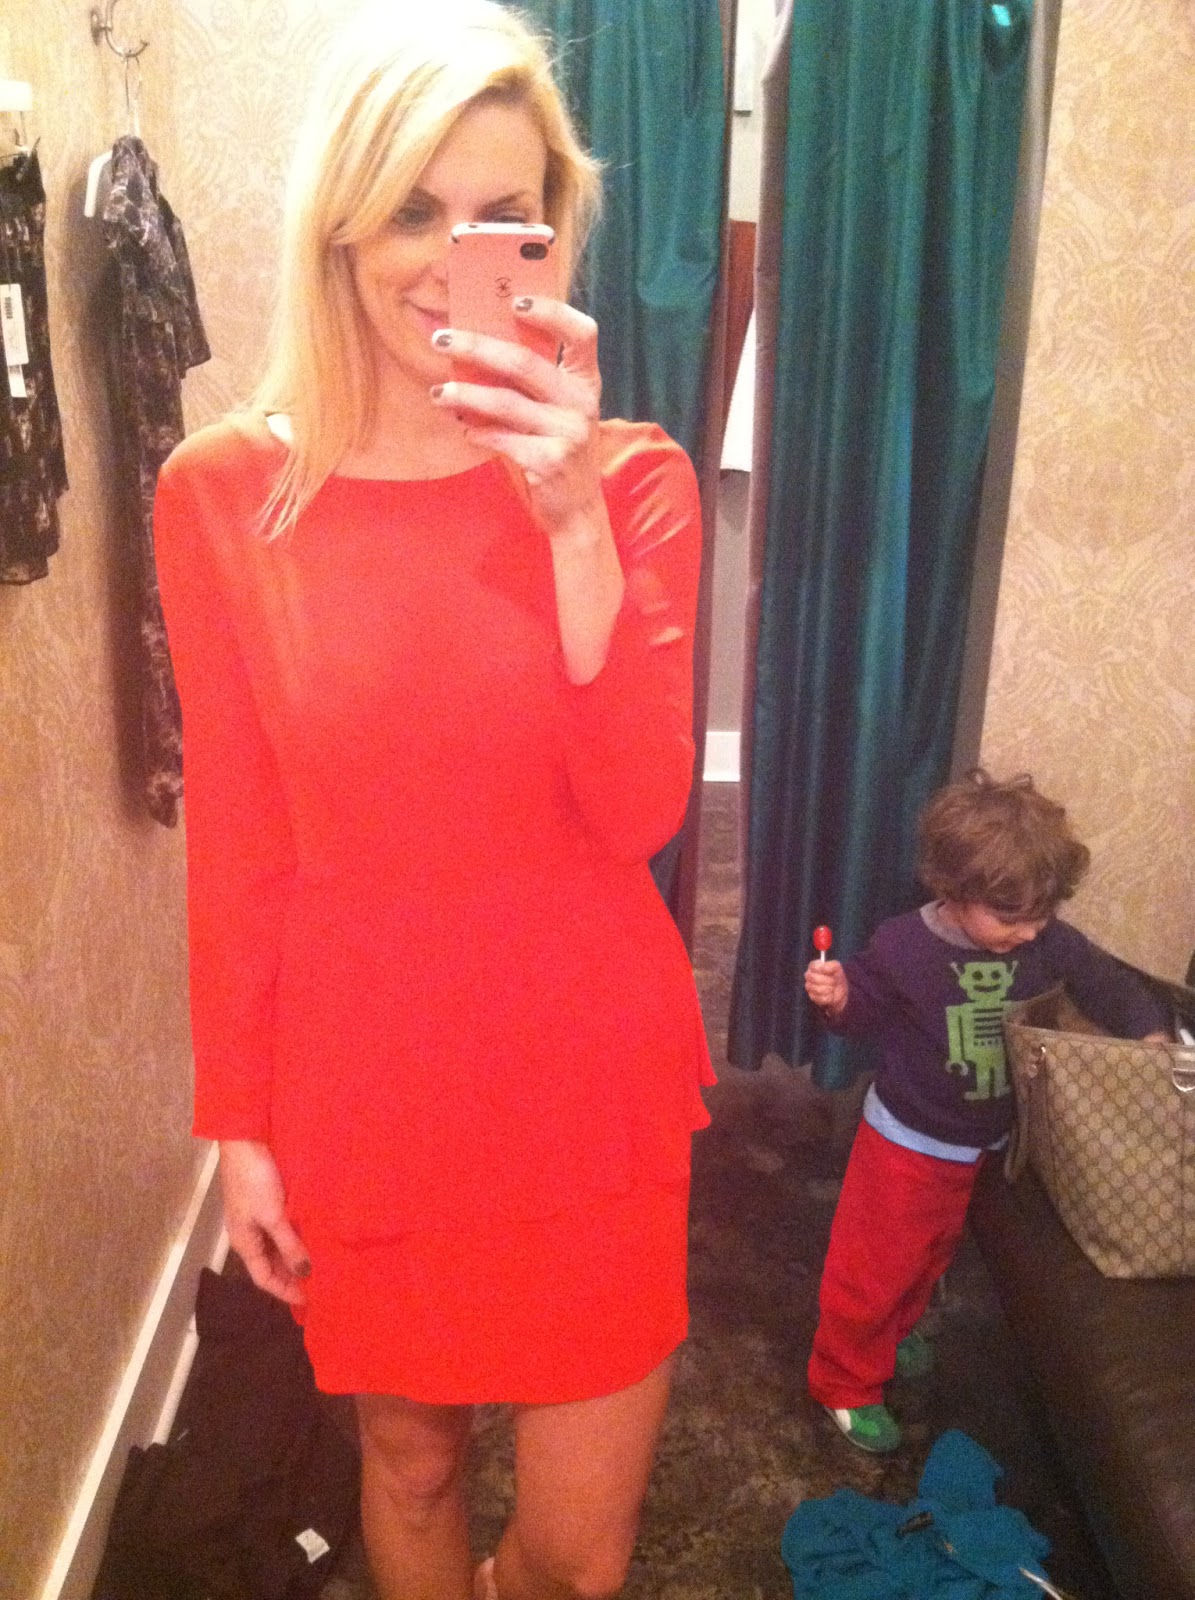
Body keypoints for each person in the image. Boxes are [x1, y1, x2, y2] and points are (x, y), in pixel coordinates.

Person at [153, 7, 715, 1597]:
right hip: (366, 1079)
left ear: (549, 240)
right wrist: (239, 1127)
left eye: (499, 218)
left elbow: (637, 815)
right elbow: (239, 841)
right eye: (411, 209)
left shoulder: (632, 481)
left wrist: (569, 526)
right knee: (405, 1462)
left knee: (574, 1557)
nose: (447, 257)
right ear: (340, 222)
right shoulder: (223, 496)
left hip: (583, 1074)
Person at [803, 769, 1170, 1455]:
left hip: (980, 1146)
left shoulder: (1045, 940)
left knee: (930, 1257)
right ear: (953, 890)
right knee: (873, 1268)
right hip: (904, 1145)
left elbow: (1105, 981)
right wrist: (839, 997)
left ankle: (896, 1332)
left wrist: (1149, 1032)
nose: (1028, 932)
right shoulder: (902, 945)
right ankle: (843, 1380)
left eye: (1041, 916)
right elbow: (864, 1012)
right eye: (1010, 918)